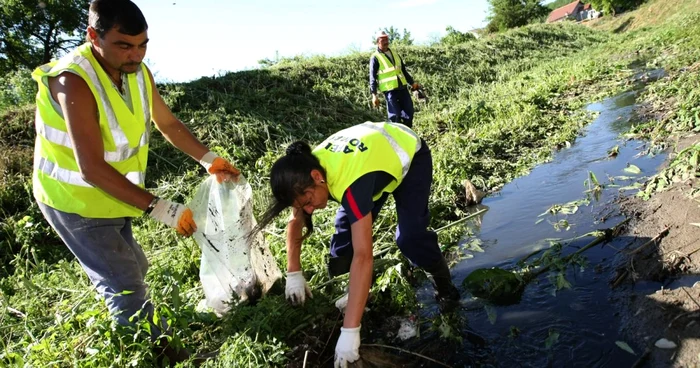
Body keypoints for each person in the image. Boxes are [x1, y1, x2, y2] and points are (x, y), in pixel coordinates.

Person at [30, 0, 239, 364]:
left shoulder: (137, 72)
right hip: (74, 200)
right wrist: (163, 209)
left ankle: (140, 329)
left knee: (135, 267)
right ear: (93, 36)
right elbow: (91, 169)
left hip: (115, 197)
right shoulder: (72, 81)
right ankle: (157, 354)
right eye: (124, 45)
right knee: (125, 284)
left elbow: (168, 123)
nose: (135, 55)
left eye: (143, 44)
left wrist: (209, 160)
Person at [255, 122, 460, 367]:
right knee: (343, 242)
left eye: (308, 201)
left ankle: (446, 290)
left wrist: (350, 331)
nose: (309, 209)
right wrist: (294, 272)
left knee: (411, 238)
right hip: (370, 164)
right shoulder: (305, 168)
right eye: (303, 205)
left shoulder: (351, 186)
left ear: (317, 177)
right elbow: (296, 220)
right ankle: (356, 295)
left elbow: (364, 255)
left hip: (408, 157)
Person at [370, 31, 420, 128]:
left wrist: (412, 82)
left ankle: (407, 136)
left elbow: (403, 71)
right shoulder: (375, 57)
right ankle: (396, 138)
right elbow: (372, 77)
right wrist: (374, 95)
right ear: (378, 42)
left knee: (409, 113)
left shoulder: (395, 53)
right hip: (390, 91)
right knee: (395, 116)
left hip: (402, 88)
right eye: (383, 40)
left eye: (386, 39)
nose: (385, 41)